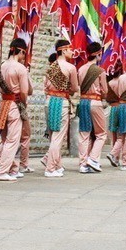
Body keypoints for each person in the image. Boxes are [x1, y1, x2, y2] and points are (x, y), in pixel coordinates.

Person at [0, 36, 29, 181]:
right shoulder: (20, 68)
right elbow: (24, 91)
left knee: (5, 139)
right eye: (24, 53)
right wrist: (23, 104)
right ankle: (2, 171)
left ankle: (11, 168)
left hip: (4, 104)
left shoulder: (2, 65)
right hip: (14, 104)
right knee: (13, 140)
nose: (24, 57)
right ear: (20, 51)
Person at [43, 40, 79, 178]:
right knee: (58, 138)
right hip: (62, 102)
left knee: (53, 136)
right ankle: (50, 168)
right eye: (70, 49)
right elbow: (75, 88)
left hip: (49, 101)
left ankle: (57, 165)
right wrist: (67, 90)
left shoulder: (51, 67)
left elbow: (45, 87)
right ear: (63, 50)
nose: (72, 52)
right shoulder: (70, 68)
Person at [77, 42, 107, 173]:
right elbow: (105, 91)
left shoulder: (81, 69)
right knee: (101, 134)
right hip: (95, 102)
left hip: (83, 101)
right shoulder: (100, 71)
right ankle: (93, 158)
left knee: (84, 134)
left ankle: (83, 164)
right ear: (98, 54)